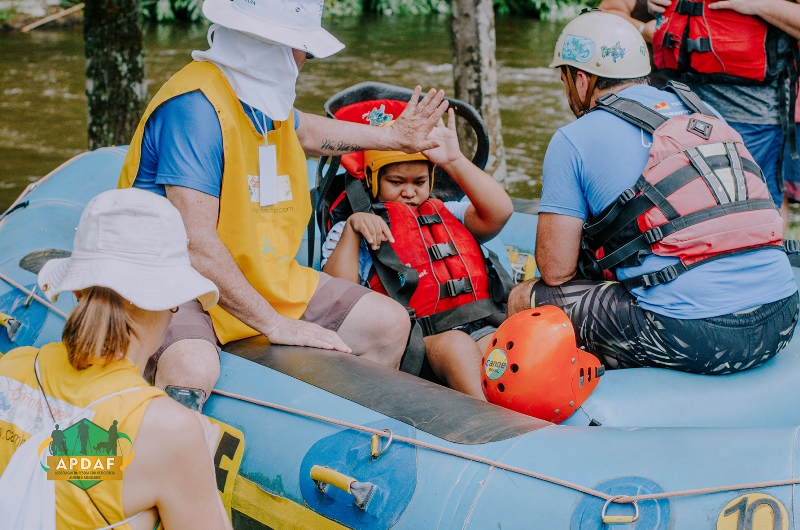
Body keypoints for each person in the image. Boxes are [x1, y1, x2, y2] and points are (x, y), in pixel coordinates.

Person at [118, 0, 450, 401]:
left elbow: (306, 131)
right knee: (192, 366)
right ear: (267, 46)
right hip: (177, 283)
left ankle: (334, 437)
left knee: (388, 323)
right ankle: (167, 446)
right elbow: (196, 246)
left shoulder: (259, 97)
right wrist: (273, 323)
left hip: (258, 273)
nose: (304, 59)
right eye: (302, 49)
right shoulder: (195, 108)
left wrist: (392, 137)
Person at [507, 11, 799, 375]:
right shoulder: (707, 113)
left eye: (563, 79)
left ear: (581, 80)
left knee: (527, 297)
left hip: (704, 337)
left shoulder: (572, 139)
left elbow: (556, 272)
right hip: (783, 316)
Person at [0, 189, 231, 529]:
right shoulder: (170, 431)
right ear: (170, 300)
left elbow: (55, 465)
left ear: (77, 291)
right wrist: (199, 464)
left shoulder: (12, 366)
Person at [321, 112, 513, 398]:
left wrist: (454, 159)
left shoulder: (448, 212)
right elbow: (339, 296)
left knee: (504, 344)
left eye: (419, 182)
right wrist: (352, 228)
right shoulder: (352, 228)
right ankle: (495, 424)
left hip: (478, 324)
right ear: (373, 180)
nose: (409, 192)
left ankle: (526, 416)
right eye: (397, 182)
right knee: (457, 346)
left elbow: (501, 212)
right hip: (419, 342)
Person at [648, 0, 800, 225]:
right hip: (679, 105)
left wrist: (760, 4)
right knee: (680, 214)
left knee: (752, 216)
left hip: (751, 118)